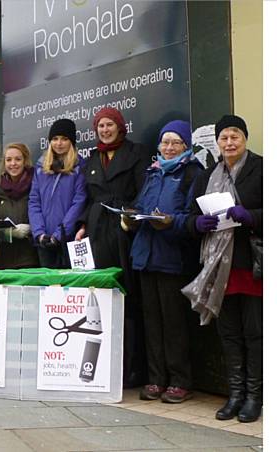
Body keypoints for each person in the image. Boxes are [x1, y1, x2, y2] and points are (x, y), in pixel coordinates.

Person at [182, 115, 262, 422]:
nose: (229, 143)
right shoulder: (206, 175)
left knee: (254, 333)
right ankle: (235, 395)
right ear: (217, 142)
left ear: (245, 138)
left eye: (235, 137)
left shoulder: (262, 168)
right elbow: (190, 216)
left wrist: (251, 215)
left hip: (250, 265)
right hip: (219, 268)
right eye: (224, 138)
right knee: (228, 335)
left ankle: (255, 398)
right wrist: (197, 224)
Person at [123, 120, 203, 403]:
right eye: (165, 143)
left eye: (175, 143)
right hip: (146, 256)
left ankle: (180, 380)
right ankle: (156, 379)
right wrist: (131, 218)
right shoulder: (152, 173)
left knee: (174, 323)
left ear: (185, 146)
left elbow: (194, 217)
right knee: (151, 322)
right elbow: (143, 207)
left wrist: (170, 223)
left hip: (173, 259)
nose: (169, 148)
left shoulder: (193, 173)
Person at [74, 107, 149, 387]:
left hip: (123, 228)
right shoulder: (93, 158)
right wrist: (82, 225)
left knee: (126, 295)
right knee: (101, 295)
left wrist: (131, 218)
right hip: (96, 229)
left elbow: (143, 190)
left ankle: (132, 368)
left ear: (120, 126)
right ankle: (103, 362)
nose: (105, 130)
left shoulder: (136, 152)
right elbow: (88, 197)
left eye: (109, 125)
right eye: (100, 126)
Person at [28, 119, 87, 268]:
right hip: (44, 241)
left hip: (69, 239)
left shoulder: (79, 168)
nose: (59, 143)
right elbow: (34, 202)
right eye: (55, 139)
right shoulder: (41, 168)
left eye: (64, 139)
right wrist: (39, 234)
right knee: (48, 288)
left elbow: (79, 202)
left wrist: (59, 235)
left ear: (71, 142)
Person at [0, 143, 39, 269]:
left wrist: (30, 230)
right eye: (9, 160)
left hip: (31, 259)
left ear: (25, 161)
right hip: (4, 260)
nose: (13, 163)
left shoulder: (36, 187)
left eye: (18, 159)